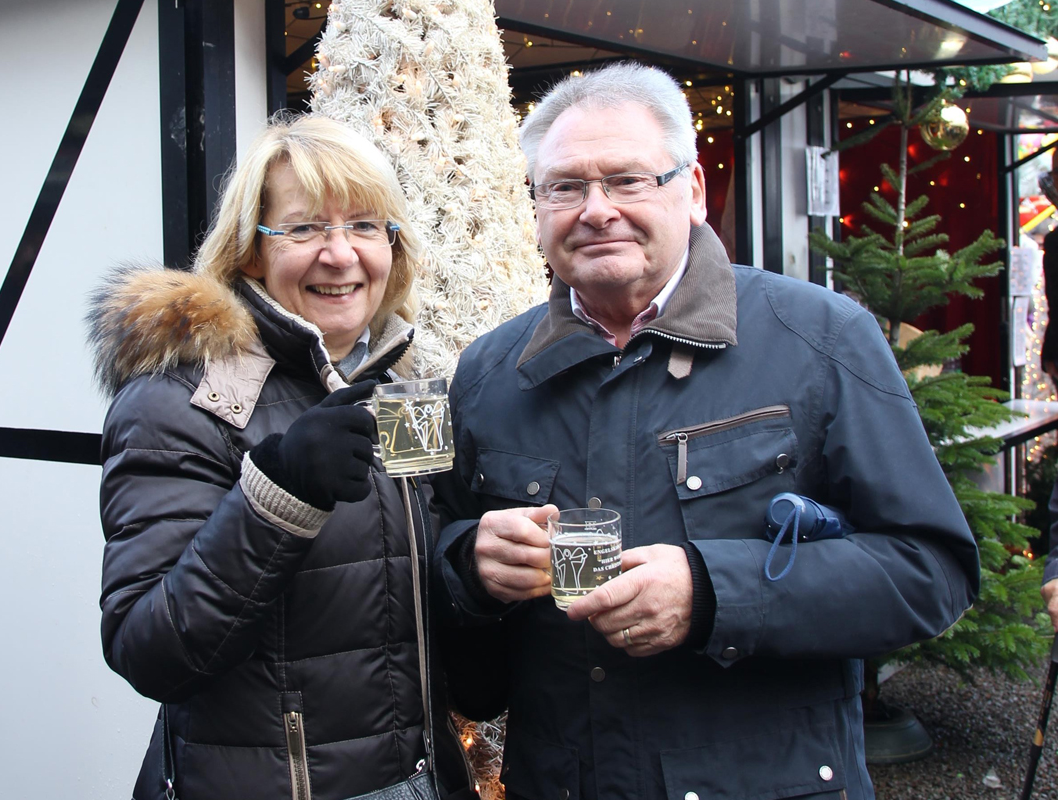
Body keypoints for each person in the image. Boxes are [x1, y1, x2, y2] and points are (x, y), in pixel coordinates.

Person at [432, 62, 979, 800]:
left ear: (690, 191)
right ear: (536, 206)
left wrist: (716, 594)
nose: (596, 210)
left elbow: (931, 571)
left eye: (628, 180)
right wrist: (469, 567)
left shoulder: (819, 339)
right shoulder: (491, 372)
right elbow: (441, 570)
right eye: (565, 186)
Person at [89, 114, 470, 800]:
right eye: (303, 229)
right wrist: (278, 494)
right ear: (250, 253)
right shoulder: (181, 401)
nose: (340, 254)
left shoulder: (404, 385)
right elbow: (149, 650)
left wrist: (476, 566)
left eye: (364, 225)